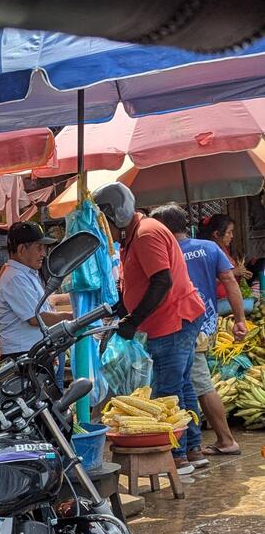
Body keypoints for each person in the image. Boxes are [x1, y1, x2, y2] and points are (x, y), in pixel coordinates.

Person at [94, 183, 205, 476]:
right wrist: (120, 308)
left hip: (172, 321)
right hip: (170, 321)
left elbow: (161, 281)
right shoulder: (134, 237)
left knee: (168, 391)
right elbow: (141, 282)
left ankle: (178, 457)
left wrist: (133, 319)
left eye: (104, 218)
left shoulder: (145, 234)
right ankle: (193, 448)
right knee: (182, 386)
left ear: (116, 213)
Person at [151, 203, 247, 457]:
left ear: (163, 228)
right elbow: (230, 282)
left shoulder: (165, 253)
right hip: (207, 324)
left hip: (182, 326)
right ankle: (195, 444)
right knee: (190, 384)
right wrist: (240, 319)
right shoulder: (209, 247)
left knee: (199, 385)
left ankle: (226, 440)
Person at [0, 221, 70, 356]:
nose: (43, 254)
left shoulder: (26, 274)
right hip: (23, 353)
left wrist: (70, 298)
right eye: (39, 248)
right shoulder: (15, 278)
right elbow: (36, 318)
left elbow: (43, 303)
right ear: (22, 250)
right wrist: (74, 317)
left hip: (34, 350)